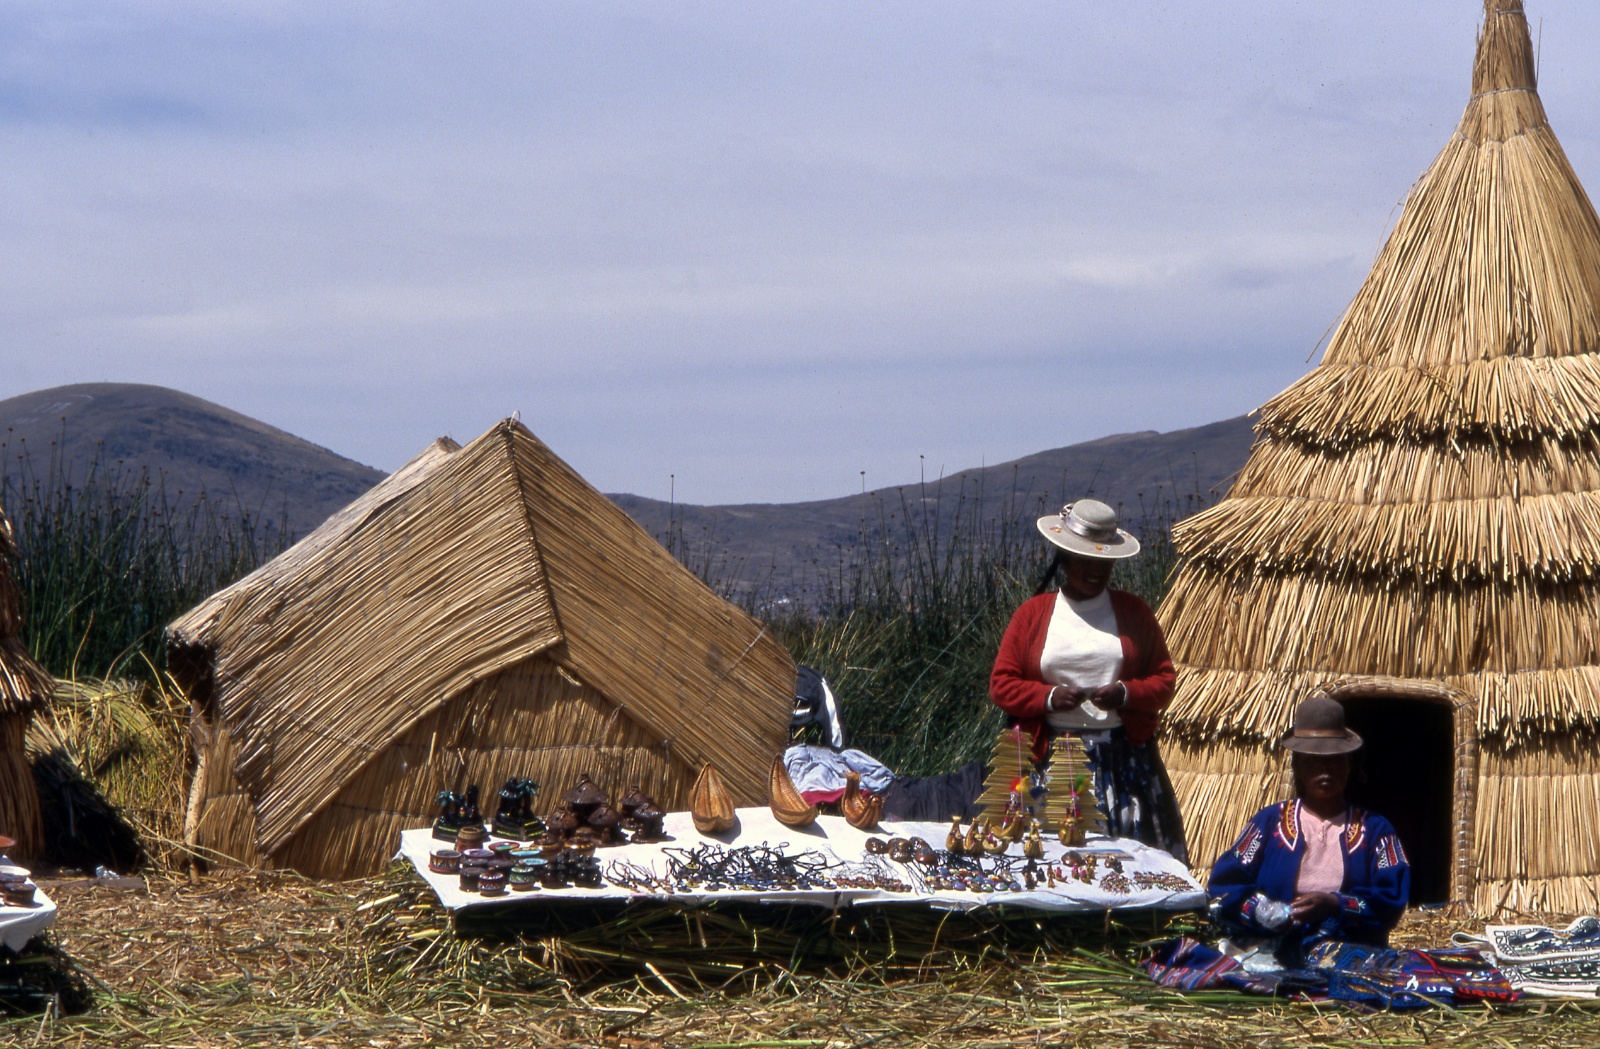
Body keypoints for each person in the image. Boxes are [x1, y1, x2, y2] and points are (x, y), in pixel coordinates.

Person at [989, 499, 1187, 860]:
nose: (1095, 570)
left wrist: (1125, 694)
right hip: (1048, 759)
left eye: (1103, 562)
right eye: (1084, 560)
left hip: (1122, 763)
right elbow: (1002, 683)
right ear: (1063, 559)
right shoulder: (1033, 615)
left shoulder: (1134, 612)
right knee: (1048, 859)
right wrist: (1049, 698)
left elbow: (1164, 681)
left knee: (1126, 861)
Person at [1208, 694, 1411, 964]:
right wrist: (1262, 911)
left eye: (1336, 760)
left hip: (1349, 954)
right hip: (1271, 952)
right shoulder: (1268, 824)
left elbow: (1391, 901)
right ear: (1297, 768)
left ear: (1350, 766)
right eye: (1313, 761)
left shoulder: (1375, 831)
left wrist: (1335, 905)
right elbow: (1225, 886)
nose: (1325, 770)